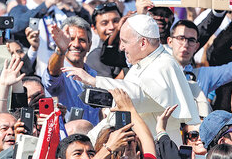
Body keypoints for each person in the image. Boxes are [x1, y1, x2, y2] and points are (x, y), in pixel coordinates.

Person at [62, 14, 200, 144]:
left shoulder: (164, 65)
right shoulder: (141, 63)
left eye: (124, 41)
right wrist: (90, 139)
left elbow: (137, 96)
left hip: (157, 148)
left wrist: (95, 81)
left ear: (143, 43)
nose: (121, 47)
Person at [167, 17, 232, 96]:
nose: (185, 44)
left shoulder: (203, 75)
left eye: (191, 40)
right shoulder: (156, 69)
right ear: (170, 42)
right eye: (180, 38)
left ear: (197, 46)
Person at [42, 16, 100, 126]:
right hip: (66, 139)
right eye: (70, 39)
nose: (76, 44)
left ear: (89, 46)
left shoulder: (93, 74)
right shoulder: (59, 70)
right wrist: (60, 51)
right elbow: (52, 75)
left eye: (82, 40)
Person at [86, 2, 122, 78]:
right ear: (94, 29)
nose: (111, 27)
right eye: (104, 23)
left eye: (116, 21)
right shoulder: (95, 57)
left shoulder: (131, 48)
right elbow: (109, 88)